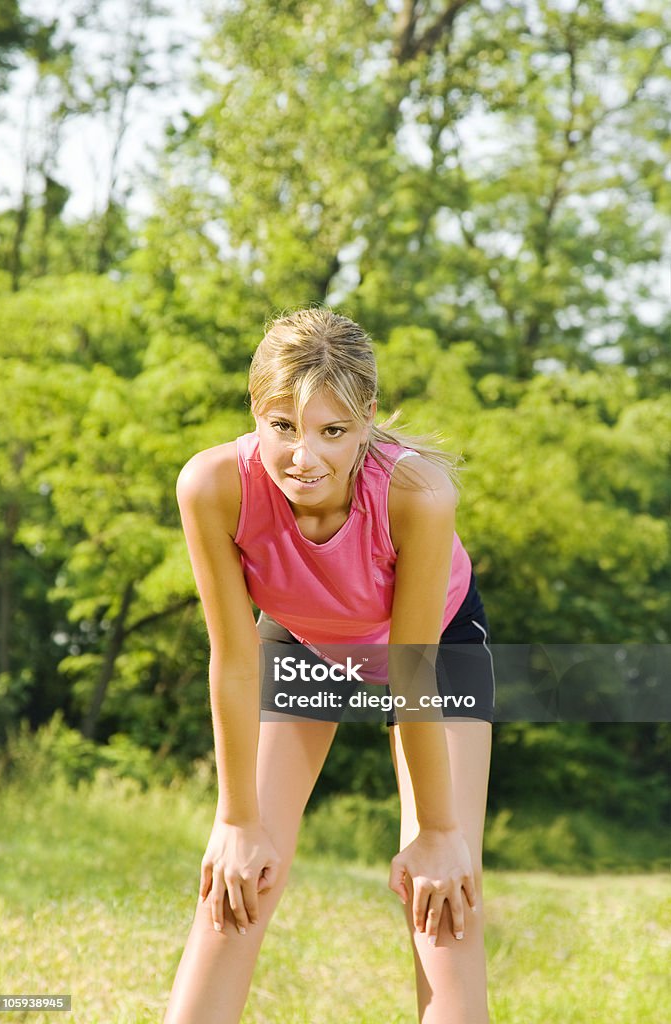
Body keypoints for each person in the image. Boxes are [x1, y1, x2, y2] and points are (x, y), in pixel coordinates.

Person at [163, 308, 495, 1024]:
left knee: (443, 903)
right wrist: (236, 819)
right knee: (235, 886)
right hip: (304, 641)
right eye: (281, 426)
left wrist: (437, 835)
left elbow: (410, 674)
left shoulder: (418, 493)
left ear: (366, 420)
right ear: (255, 412)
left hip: (432, 655)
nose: (303, 457)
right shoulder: (211, 486)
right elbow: (232, 657)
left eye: (331, 431)